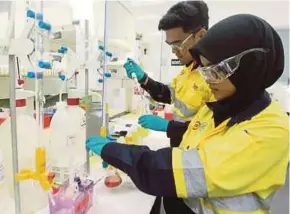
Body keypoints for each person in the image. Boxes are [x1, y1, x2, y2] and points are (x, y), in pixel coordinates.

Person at [87, 14, 289, 214]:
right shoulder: (221, 107)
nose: (208, 79)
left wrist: (116, 152)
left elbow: (181, 172)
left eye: (217, 70)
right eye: (205, 69)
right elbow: (195, 133)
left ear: (251, 67)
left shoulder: (271, 130)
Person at [124, 1, 212, 148]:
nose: (173, 51)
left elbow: (212, 130)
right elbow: (168, 95)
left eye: (177, 44)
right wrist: (143, 79)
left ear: (201, 36)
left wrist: (169, 127)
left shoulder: (215, 78)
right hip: (180, 149)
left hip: (199, 156)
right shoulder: (188, 69)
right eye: (170, 45)